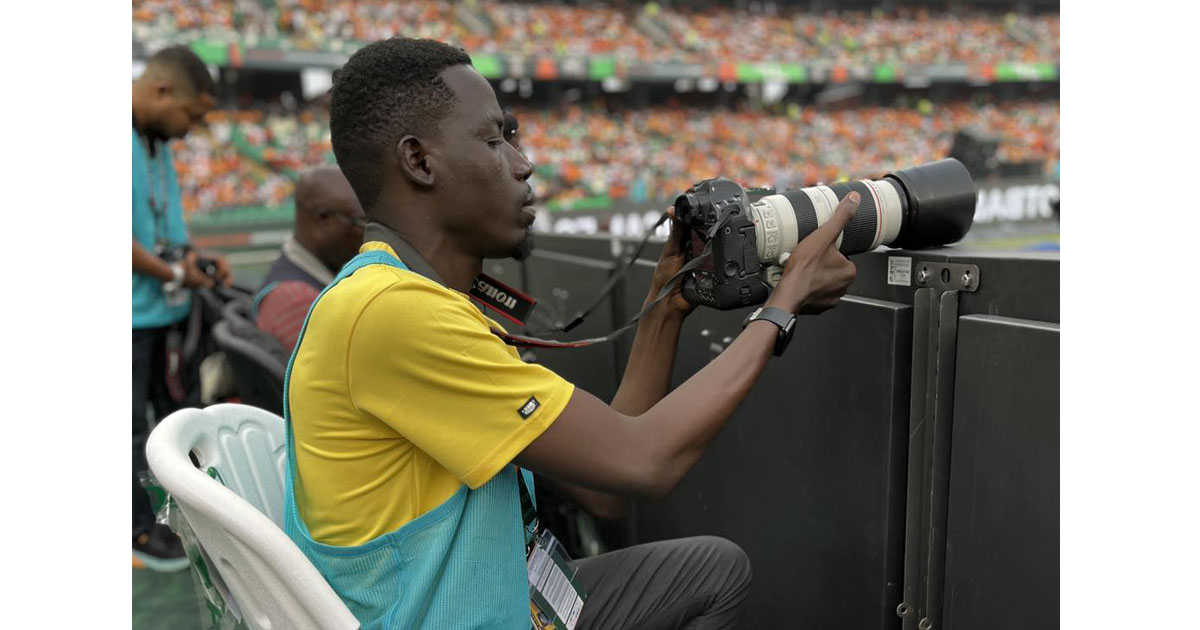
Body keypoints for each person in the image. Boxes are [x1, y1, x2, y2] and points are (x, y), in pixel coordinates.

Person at [285, 38, 858, 629]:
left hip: (487, 589)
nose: (522, 163)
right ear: (420, 161)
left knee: (712, 570)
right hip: (451, 616)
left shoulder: (403, 296)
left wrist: (667, 304)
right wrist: (783, 302)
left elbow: (607, 488)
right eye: (494, 139)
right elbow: (647, 462)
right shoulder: (392, 312)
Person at [132, 45, 231, 571]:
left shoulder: (155, 141)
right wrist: (174, 272)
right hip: (128, 320)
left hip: (158, 315)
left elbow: (166, 227)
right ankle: (138, 530)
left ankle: (170, 517)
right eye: (191, 115)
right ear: (162, 90)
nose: (191, 128)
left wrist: (194, 258)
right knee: (127, 429)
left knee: (167, 423)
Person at [253, 166, 366, 351]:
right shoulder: (297, 303)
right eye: (360, 223)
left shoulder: (296, 281)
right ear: (323, 218)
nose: (367, 235)